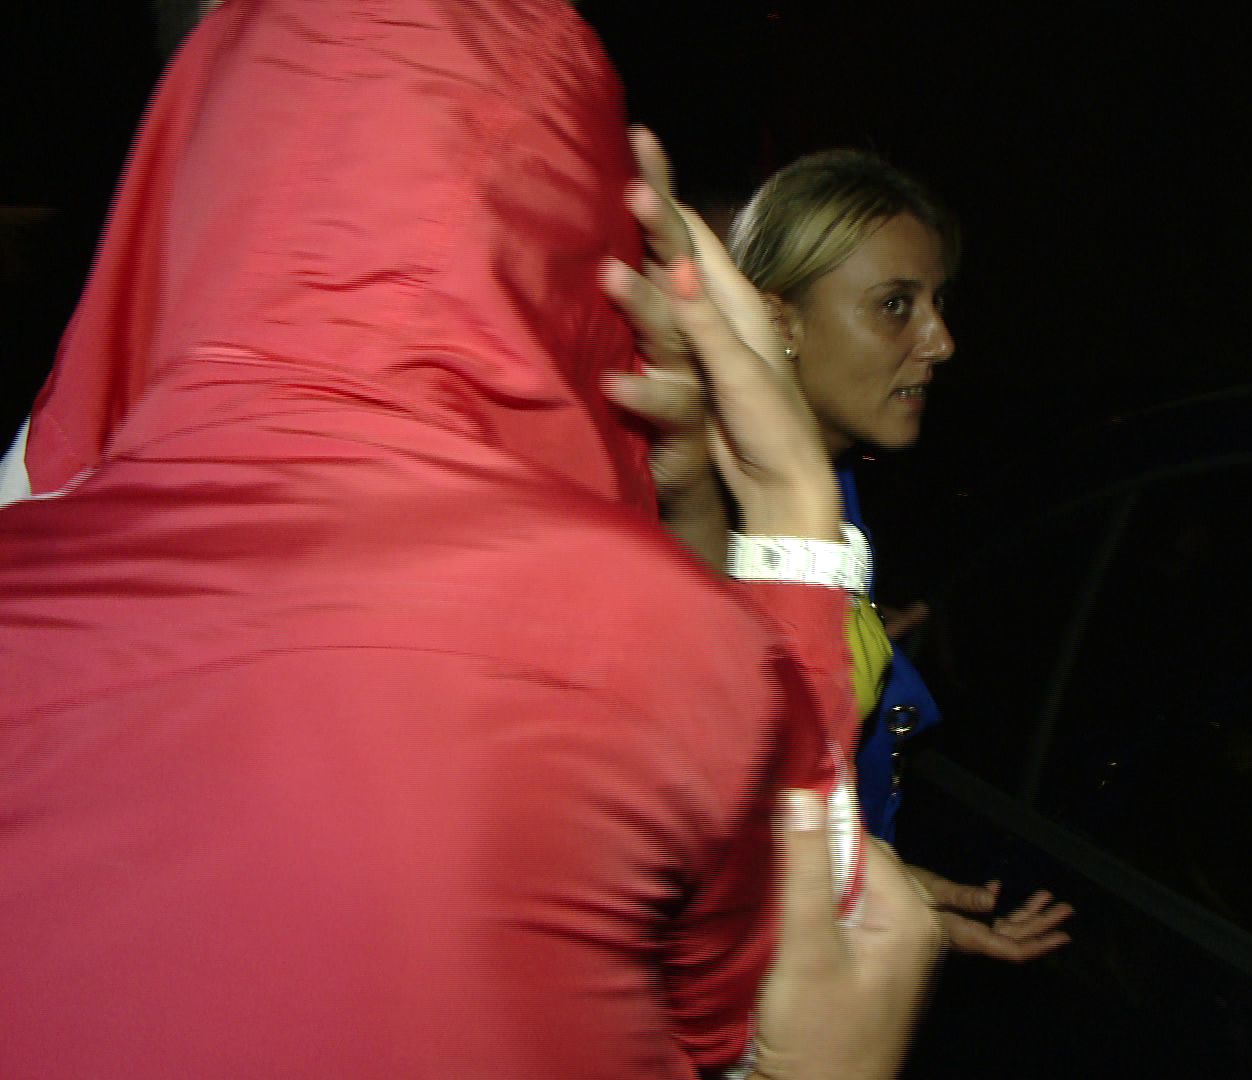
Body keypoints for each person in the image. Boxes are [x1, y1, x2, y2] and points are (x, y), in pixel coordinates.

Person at [0, 2, 939, 1077]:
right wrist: (792, 514)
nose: (940, 340)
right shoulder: (642, 643)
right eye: (897, 303)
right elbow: (780, 986)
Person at [717, 150, 1073, 963]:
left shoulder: (833, 484)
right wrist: (846, 898)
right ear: (780, 322)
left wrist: (867, 881)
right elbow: (708, 848)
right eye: (894, 306)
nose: (941, 341)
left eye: (937, 302)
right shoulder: (712, 525)